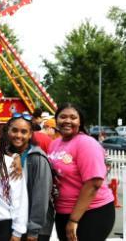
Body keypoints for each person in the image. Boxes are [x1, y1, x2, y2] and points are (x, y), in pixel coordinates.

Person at [48, 103, 115, 241]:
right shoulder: (54, 144)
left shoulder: (86, 143)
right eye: (63, 117)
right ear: (56, 120)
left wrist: (73, 220)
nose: (67, 121)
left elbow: (93, 184)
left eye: (73, 117)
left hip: (91, 212)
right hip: (63, 211)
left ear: (80, 122)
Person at [5, 113, 54, 241]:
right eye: (14, 130)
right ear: (8, 131)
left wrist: (33, 230)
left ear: (30, 134)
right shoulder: (5, 154)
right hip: (13, 225)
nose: (18, 135)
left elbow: (41, 196)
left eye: (23, 132)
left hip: (33, 230)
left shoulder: (37, 158)